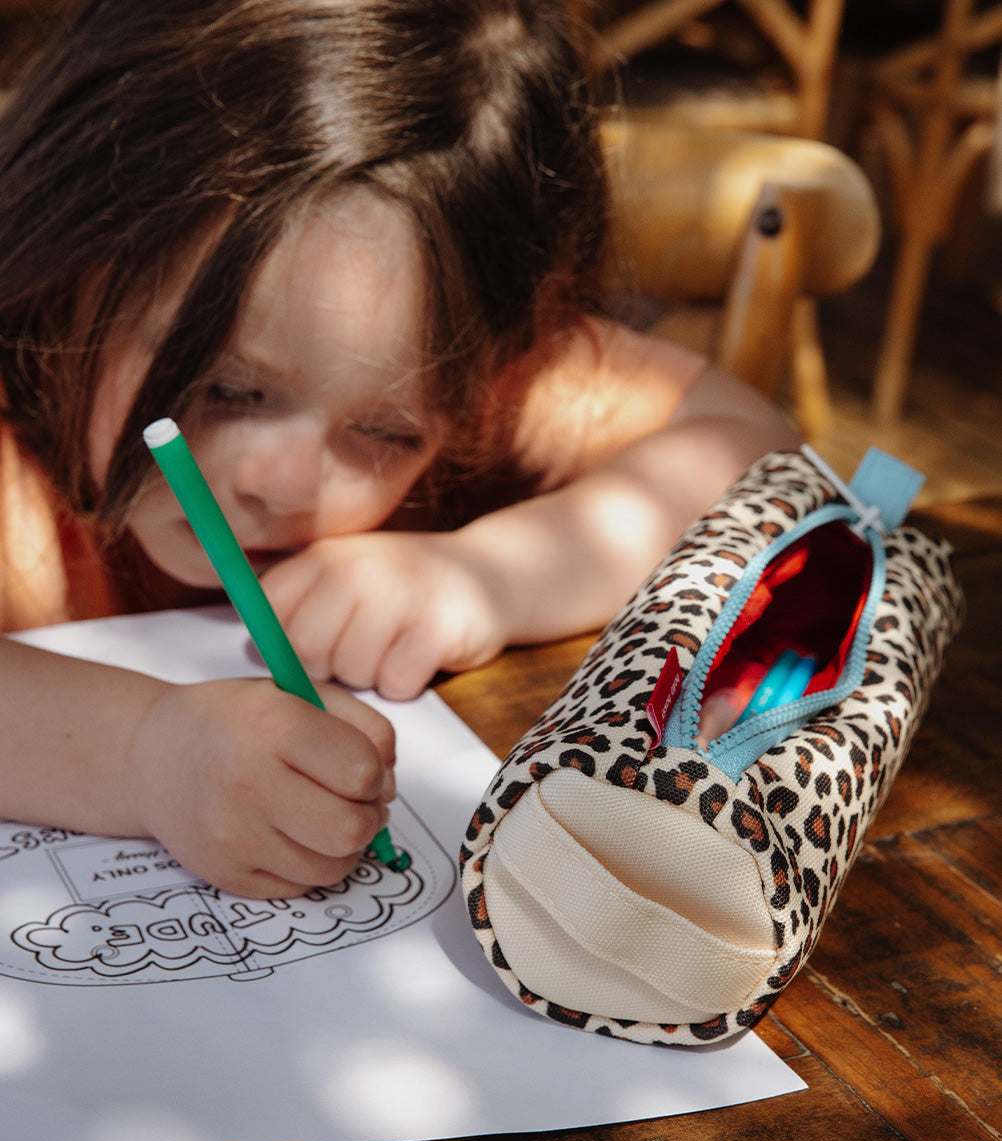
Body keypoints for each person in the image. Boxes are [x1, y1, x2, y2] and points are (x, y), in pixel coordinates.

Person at [0, 0, 794, 898]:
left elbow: (758, 453)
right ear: (66, 265)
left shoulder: (462, 357)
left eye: (386, 431)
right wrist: (142, 752)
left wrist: (494, 574)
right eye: (225, 388)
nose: (286, 481)